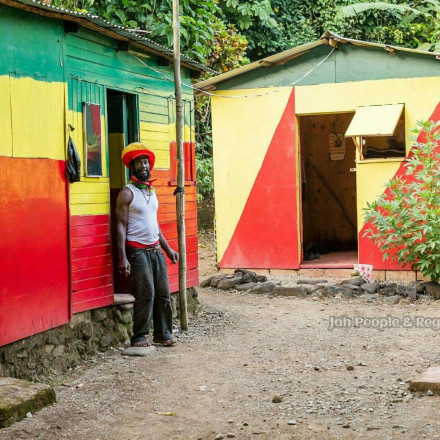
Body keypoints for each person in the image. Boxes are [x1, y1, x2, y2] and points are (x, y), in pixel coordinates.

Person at [116, 142, 179, 347]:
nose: (144, 166)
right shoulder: (127, 193)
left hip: (156, 249)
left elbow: (154, 224)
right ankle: (139, 336)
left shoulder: (152, 192)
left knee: (163, 292)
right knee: (146, 292)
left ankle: (162, 333)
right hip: (137, 250)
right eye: (139, 163)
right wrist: (122, 257)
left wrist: (168, 249)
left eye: (146, 162)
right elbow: (120, 226)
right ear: (132, 167)